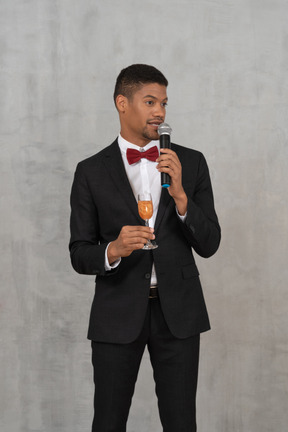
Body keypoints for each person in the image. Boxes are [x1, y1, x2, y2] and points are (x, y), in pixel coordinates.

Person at [69, 64, 221, 432]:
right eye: (150, 101)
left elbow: (210, 243)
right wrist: (114, 250)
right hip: (116, 312)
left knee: (182, 421)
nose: (160, 113)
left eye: (164, 103)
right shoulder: (90, 171)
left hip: (179, 314)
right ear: (122, 103)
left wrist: (182, 197)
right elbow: (79, 253)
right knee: (108, 421)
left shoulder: (192, 162)